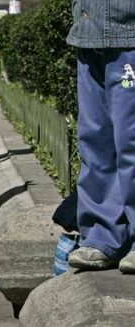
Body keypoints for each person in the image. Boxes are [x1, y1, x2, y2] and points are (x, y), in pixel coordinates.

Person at [65, 0, 135, 273]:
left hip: (128, 32)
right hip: (88, 30)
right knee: (95, 140)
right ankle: (103, 236)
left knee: (130, 140)